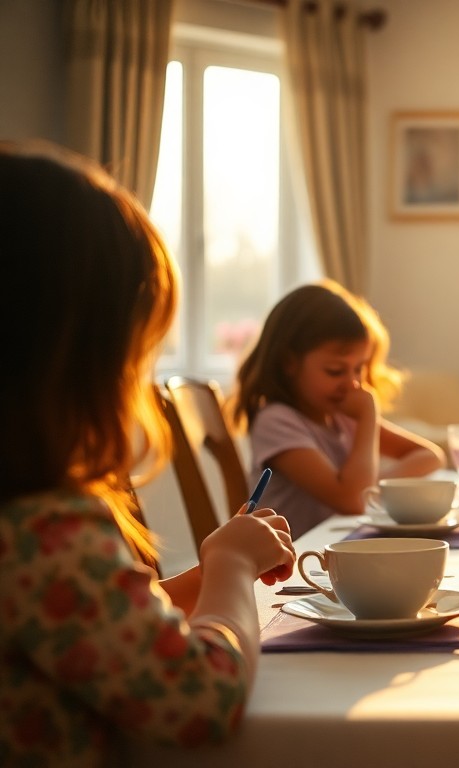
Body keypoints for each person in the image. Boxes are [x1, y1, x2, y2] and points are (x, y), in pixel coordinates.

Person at [0, 141, 297, 765]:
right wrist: (234, 570)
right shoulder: (43, 531)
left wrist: (205, 573)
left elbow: (94, 626)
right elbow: (203, 698)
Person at [230, 281, 446, 538]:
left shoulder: (340, 417)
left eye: (358, 368)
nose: (352, 383)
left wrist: (373, 487)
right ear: (289, 363)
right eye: (335, 370)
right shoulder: (276, 422)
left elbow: (430, 456)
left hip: (332, 548)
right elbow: (353, 501)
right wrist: (368, 416)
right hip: (292, 564)